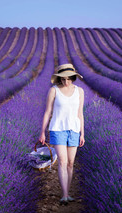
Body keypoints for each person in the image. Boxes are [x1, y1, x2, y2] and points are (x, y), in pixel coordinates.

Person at [39, 63, 85, 205]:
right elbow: (47, 112)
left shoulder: (80, 91)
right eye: (63, 79)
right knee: (63, 162)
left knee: (71, 163)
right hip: (58, 129)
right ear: (59, 79)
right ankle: (64, 194)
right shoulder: (54, 90)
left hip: (74, 130)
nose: (66, 81)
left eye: (68, 78)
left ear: (73, 77)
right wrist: (42, 132)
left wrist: (82, 133)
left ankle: (68, 191)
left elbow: (80, 113)